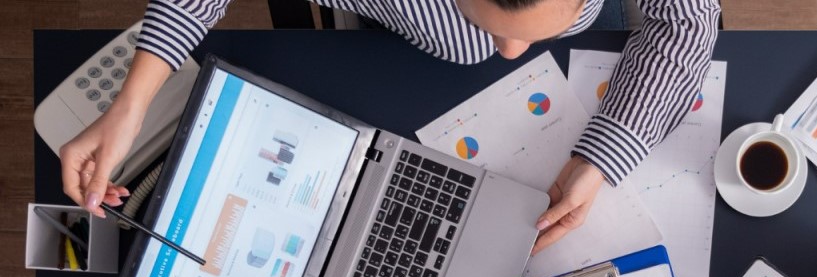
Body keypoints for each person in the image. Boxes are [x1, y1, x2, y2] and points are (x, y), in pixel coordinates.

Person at [58, 0, 721, 253]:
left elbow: (687, 21)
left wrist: (601, 158)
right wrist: (131, 104)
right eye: (492, 28)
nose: (511, 54)